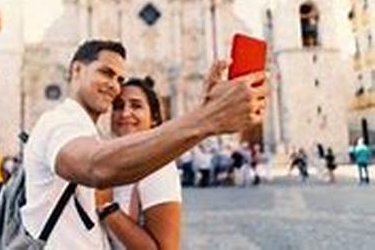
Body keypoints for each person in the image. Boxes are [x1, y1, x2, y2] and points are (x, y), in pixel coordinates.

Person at [20, 40, 267, 249]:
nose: (114, 86)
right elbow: (96, 166)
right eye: (105, 72)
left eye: (119, 78)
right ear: (76, 70)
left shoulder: (88, 133)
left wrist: (203, 114)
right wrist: (207, 117)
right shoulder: (59, 123)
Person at [96, 76, 182, 250]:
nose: (126, 113)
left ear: (154, 118)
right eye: (118, 107)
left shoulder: (158, 168)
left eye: (136, 106)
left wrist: (107, 209)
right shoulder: (112, 166)